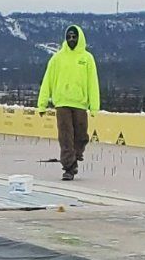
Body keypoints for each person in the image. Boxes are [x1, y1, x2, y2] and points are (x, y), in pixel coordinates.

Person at [36, 23, 101, 180]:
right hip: (62, 104)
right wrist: (42, 103)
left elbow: (93, 82)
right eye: (69, 37)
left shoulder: (87, 58)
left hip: (80, 104)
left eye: (74, 37)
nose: (72, 39)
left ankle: (76, 154)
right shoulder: (57, 58)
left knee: (81, 135)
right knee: (65, 136)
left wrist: (94, 106)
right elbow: (47, 81)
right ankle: (69, 167)